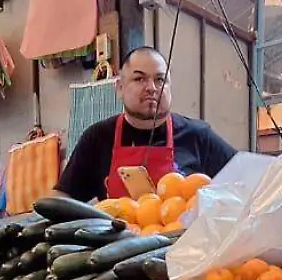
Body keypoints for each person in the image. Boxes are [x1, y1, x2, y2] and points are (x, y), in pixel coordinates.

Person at [55, 47, 238, 203]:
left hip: (181, 243)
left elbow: (246, 181)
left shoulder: (198, 135)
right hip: (118, 243)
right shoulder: (98, 138)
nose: (151, 87)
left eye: (160, 80)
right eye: (139, 79)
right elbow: (63, 198)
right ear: (120, 87)